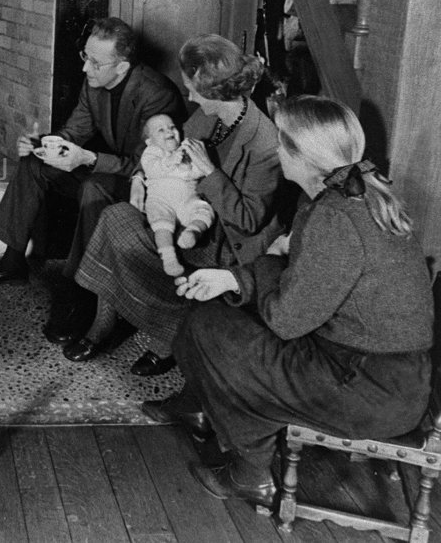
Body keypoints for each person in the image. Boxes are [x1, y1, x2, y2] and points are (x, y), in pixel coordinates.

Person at [150, 96, 432, 508]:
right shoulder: (355, 198)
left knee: (208, 325)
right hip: (389, 380)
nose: (277, 150)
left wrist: (260, 265)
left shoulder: (333, 217)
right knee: (221, 309)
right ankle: (198, 407)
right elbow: (308, 287)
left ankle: (250, 473)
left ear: (304, 157)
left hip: (366, 390)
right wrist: (233, 279)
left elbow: (284, 320)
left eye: (282, 142)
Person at [69, 34, 282, 376]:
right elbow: (160, 149)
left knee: (145, 241)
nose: (189, 96)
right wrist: (139, 177)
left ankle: (165, 337)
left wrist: (210, 172)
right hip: (180, 211)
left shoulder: (264, 142)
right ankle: (103, 323)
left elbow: (249, 219)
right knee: (114, 216)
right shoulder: (207, 117)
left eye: (192, 89)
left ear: (214, 90)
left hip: (223, 239)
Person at [0, 17, 184, 344]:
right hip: (111, 167)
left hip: (149, 184)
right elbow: (75, 130)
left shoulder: (157, 96)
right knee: (34, 164)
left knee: (93, 187)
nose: (85, 68)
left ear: (122, 67)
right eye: (85, 57)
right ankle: (12, 260)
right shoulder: (95, 81)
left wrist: (87, 158)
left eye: (95, 62)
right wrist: (44, 145)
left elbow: (145, 166)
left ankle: (79, 294)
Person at [136, 113, 215, 277]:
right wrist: (171, 160)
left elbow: (197, 173)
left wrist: (194, 165)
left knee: (204, 210)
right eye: (161, 130)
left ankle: (193, 231)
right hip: (161, 199)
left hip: (187, 199)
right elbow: (151, 169)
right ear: (149, 141)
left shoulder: (185, 151)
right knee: (161, 223)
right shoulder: (152, 152)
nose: (169, 131)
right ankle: (169, 257)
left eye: (172, 127)